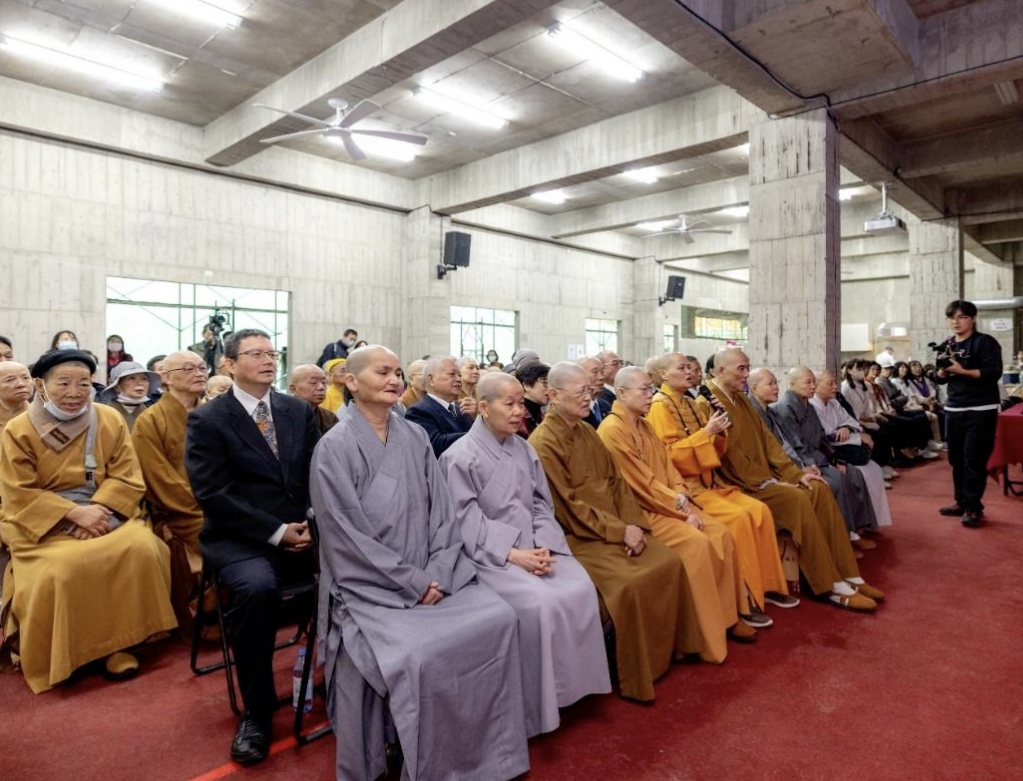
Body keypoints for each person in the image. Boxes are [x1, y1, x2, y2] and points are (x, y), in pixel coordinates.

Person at [310, 346, 530, 781]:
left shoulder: (412, 435)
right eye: (382, 372)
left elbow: (443, 513)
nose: (394, 379)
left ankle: (487, 754)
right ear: (351, 383)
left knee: (500, 617)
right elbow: (347, 537)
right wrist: (413, 582)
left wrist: (440, 572)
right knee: (418, 653)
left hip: (434, 574)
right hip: (371, 586)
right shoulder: (333, 448)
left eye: (397, 372)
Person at [440, 372, 610, 736]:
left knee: (578, 586)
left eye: (521, 403)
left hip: (534, 544)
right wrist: (513, 554)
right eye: (510, 403)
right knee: (539, 603)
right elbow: (464, 519)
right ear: (483, 408)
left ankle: (574, 687)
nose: (521, 411)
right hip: (489, 556)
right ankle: (540, 705)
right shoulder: (458, 456)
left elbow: (539, 503)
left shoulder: (525, 448)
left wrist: (544, 546)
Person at [0, 349, 176, 693]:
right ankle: (74, 652)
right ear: (41, 385)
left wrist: (99, 511)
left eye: (83, 383)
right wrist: (71, 514)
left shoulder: (107, 418)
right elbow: (17, 491)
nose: (74, 392)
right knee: (62, 570)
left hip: (104, 515)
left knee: (144, 547)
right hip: (44, 526)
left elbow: (128, 475)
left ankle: (121, 642)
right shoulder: (18, 429)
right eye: (63, 383)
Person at [185, 329, 319, 765]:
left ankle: (350, 682)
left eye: (272, 352)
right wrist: (278, 532)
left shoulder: (298, 410)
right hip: (241, 537)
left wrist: (313, 524)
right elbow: (214, 494)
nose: (267, 359)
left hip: (305, 530)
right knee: (256, 589)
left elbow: (319, 476)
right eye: (255, 353)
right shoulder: (209, 419)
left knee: (361, 568)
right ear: (228, 364)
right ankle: (257, 712)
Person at [529, 362, 691, 702]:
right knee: (629, 584)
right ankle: (635, 675)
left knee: (668, 560)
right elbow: (568, 506)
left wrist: (634, 526)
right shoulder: (543, 442)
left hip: (617, 525)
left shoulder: (589, 430)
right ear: (553, 396)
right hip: (581, 536)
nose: (589, 398)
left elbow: (617, 483)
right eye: (580, 393)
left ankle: (671, 651)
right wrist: (619, 532)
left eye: (590, 391)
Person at [700, 349, 883, 612]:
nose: (745, 374)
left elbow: (769, 443)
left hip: (768, 479)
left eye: (747, 367)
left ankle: (848, 573)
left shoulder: (742, 400)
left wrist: (796, 474)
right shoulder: (707, 404)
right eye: (741, 369)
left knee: (818, 487)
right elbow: (729, 457)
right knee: (797, 498)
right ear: (719, 371)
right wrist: (770, 483)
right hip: (743, 485)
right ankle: (828, 584)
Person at [598, 366, 759, 649]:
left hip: (670, 502)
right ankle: (701, 633)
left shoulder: (644, 424)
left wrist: (682, 497)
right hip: (644, 511)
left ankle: (728, 616)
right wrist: (679, 510)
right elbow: (640, 482)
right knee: (696, 544)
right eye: (644, 390)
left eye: (652, 388)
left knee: (721, 533)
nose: (651, 395)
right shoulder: (612, 430)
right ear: (621, 393)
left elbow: (669, 469)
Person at [645, 353, 793, 617]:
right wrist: (707, 433)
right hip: (690, 488)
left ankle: (768, 584)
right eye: (682, 368)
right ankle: (746, 599)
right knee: (738, 518)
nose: (690, 372)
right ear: (663, 375)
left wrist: (718, 431)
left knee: (758, 510)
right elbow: (667, 457)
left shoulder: (690, 403)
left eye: (691, 367)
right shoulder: (660, 406)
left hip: (711, 481)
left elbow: (713, 449)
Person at [132, 351, 209, 633]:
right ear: (166, 378)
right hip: (182, 511)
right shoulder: (150, 421)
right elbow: (157, 479)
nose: (199, 373)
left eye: (202, 367)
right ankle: (210, 607)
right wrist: (204, 506)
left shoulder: (215, 413)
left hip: (222, 503)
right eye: (188, 368)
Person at [768, 368, 891, 534]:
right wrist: (815, 464)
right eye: (808, 382)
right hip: (805, 460)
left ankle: (859, 527)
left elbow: (821, 437)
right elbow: (796, 444)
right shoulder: (785, 407)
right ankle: (844, 534)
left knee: (853, 473)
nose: (813, 386)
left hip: (819, 455)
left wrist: (834, 460)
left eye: (814, 382)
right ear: (791, 384)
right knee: (837, 480)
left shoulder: (808, 405)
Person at [934, 300, 1004, 527]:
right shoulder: (946, 345)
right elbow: (938, 376)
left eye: (961, 317)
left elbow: (993, 373)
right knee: (956, 459)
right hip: (954, 408)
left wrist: (961, 370)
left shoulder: (984, 343)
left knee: (974, 459)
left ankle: (974, 507)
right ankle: (961, 501)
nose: (956, 321)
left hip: (980, 409)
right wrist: (943, 373)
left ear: (972, 318)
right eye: (952, 317)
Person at [405, 355, 475, 457]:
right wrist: (478, 435)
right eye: (452, 374)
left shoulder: (460, 407)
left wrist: (477, 417)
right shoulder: (418, 412)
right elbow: (436, 445)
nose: (458, 379)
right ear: (431, 379)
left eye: (459, 375)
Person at [97, 361, 160, 432]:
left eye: (144, 379)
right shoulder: (103, 414)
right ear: (117, 387)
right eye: (132, 378)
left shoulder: (153, 415)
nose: (140, 383)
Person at [288, 364, 336, 434]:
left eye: (324, 383)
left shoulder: (329, 417)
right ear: (294, 389)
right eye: (313, 383)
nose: (321, 387)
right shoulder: (282, 415)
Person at [576, 356, 609, 426]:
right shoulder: (575, 409)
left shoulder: (606, 405)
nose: (601, 377)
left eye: (602, 372)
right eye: (595, 372)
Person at [518, 361, 550, 435]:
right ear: (526, 385)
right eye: (545, 383)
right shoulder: (517, 417)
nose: (549, 388)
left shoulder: (543, 416)